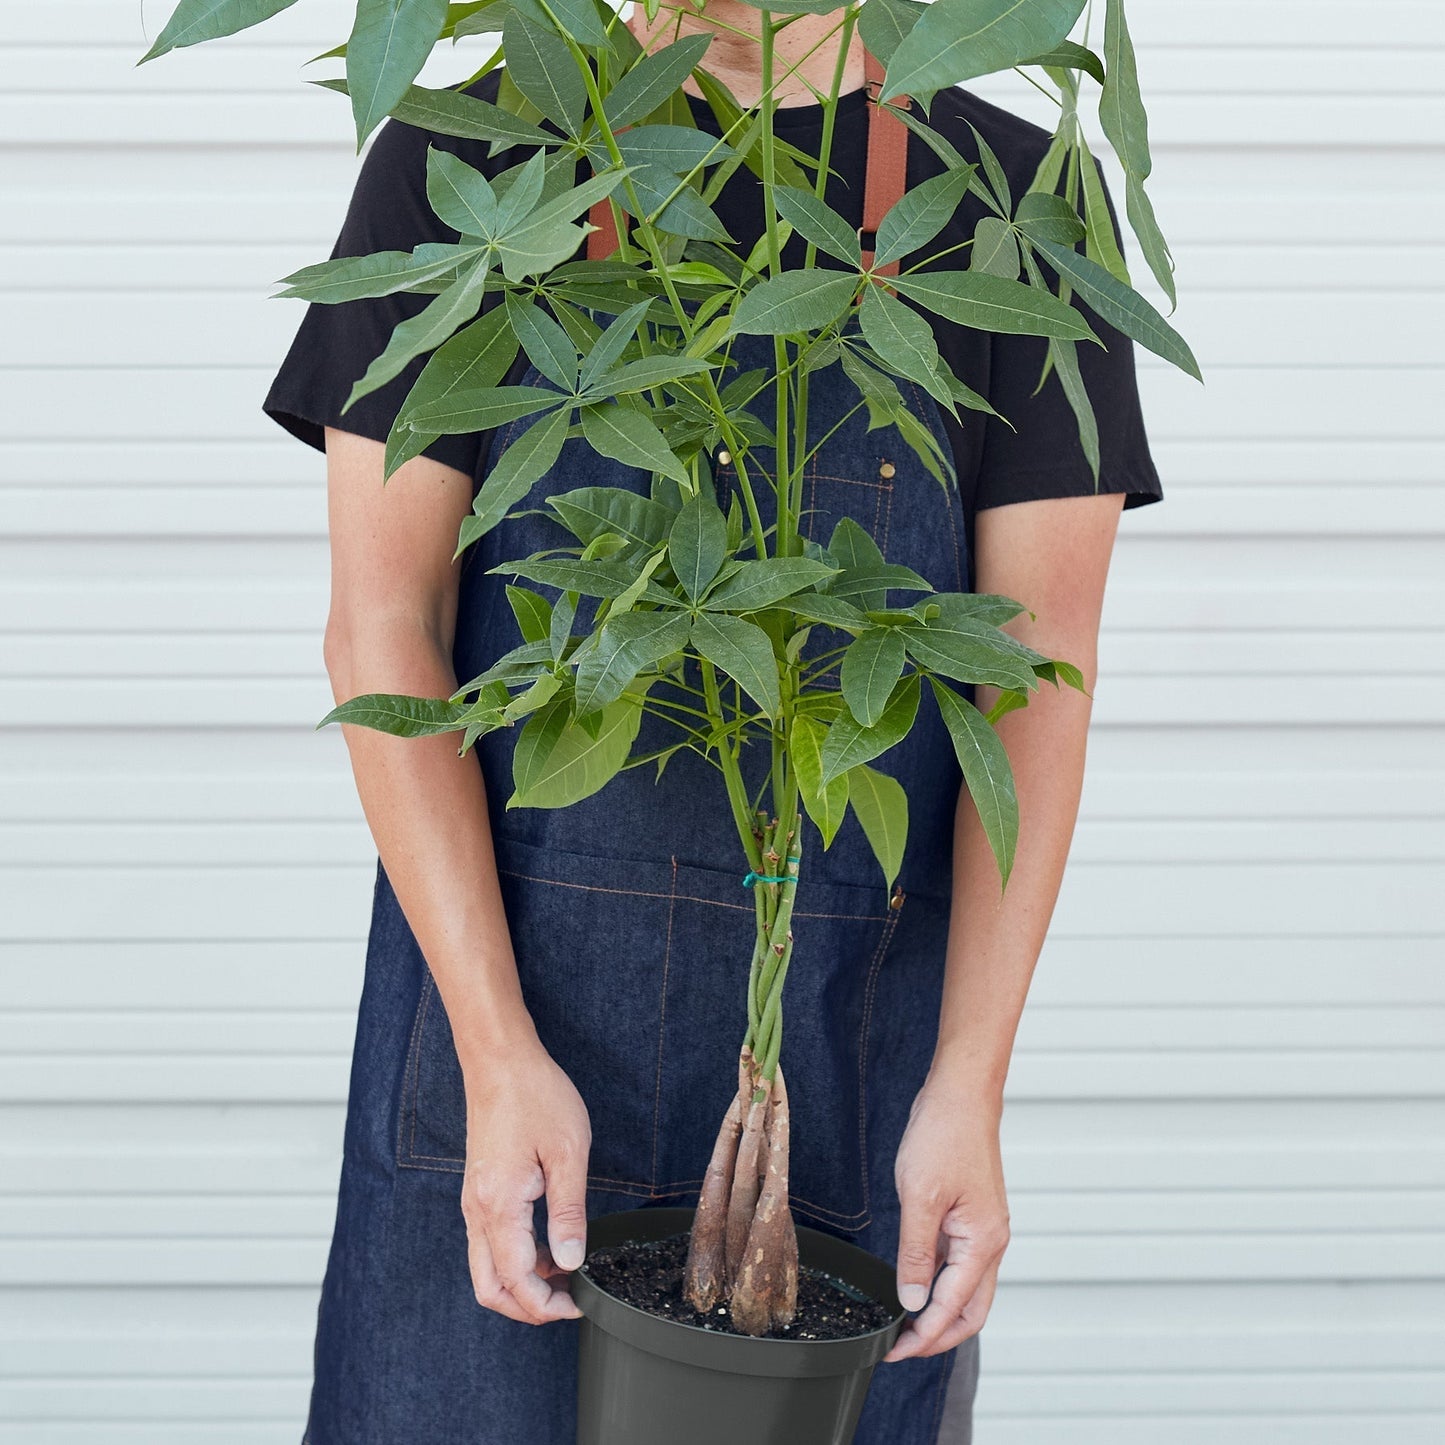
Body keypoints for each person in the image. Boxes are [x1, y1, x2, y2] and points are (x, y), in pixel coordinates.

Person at [264, 4, 1162, 1442]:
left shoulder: (1010, 198)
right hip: (516, 1039)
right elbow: (388, 630)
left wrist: (969, 1084)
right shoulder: (485, 157)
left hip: (847, 1047)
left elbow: (1033, 683)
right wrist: (495, 1057)